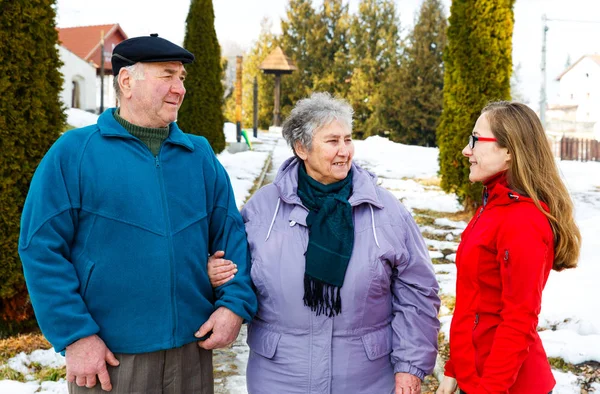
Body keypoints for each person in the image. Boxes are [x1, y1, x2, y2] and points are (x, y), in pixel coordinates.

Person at [19, 34, 257, 394]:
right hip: (110, 360)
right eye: (167, 76)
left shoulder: (200, 155)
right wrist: (77, 336)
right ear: (127, 82)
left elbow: (232, 234)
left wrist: (233, 307)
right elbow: (40, 248)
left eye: (181, 77)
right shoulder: (74, 153)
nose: (179, 88)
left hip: (191, 354)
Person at [208, 92, 440, 394]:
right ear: (302, 148)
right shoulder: (264, 207)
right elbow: (238, 270)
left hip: (366, 378)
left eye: (348, 139)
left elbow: (418, 292)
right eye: (332, 141)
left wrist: (410, 367)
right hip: (279, 376)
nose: (344, 151)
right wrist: (218, 272)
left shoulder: (384, 210)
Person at [436, 102, 581, 394]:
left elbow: (519, 321)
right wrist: (455, 369)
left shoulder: (523, 221)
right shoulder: (492, 206)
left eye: (476, 140)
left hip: (506, 385)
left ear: (509, 151)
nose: (467, 150)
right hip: (475, 376)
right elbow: (472, 303)